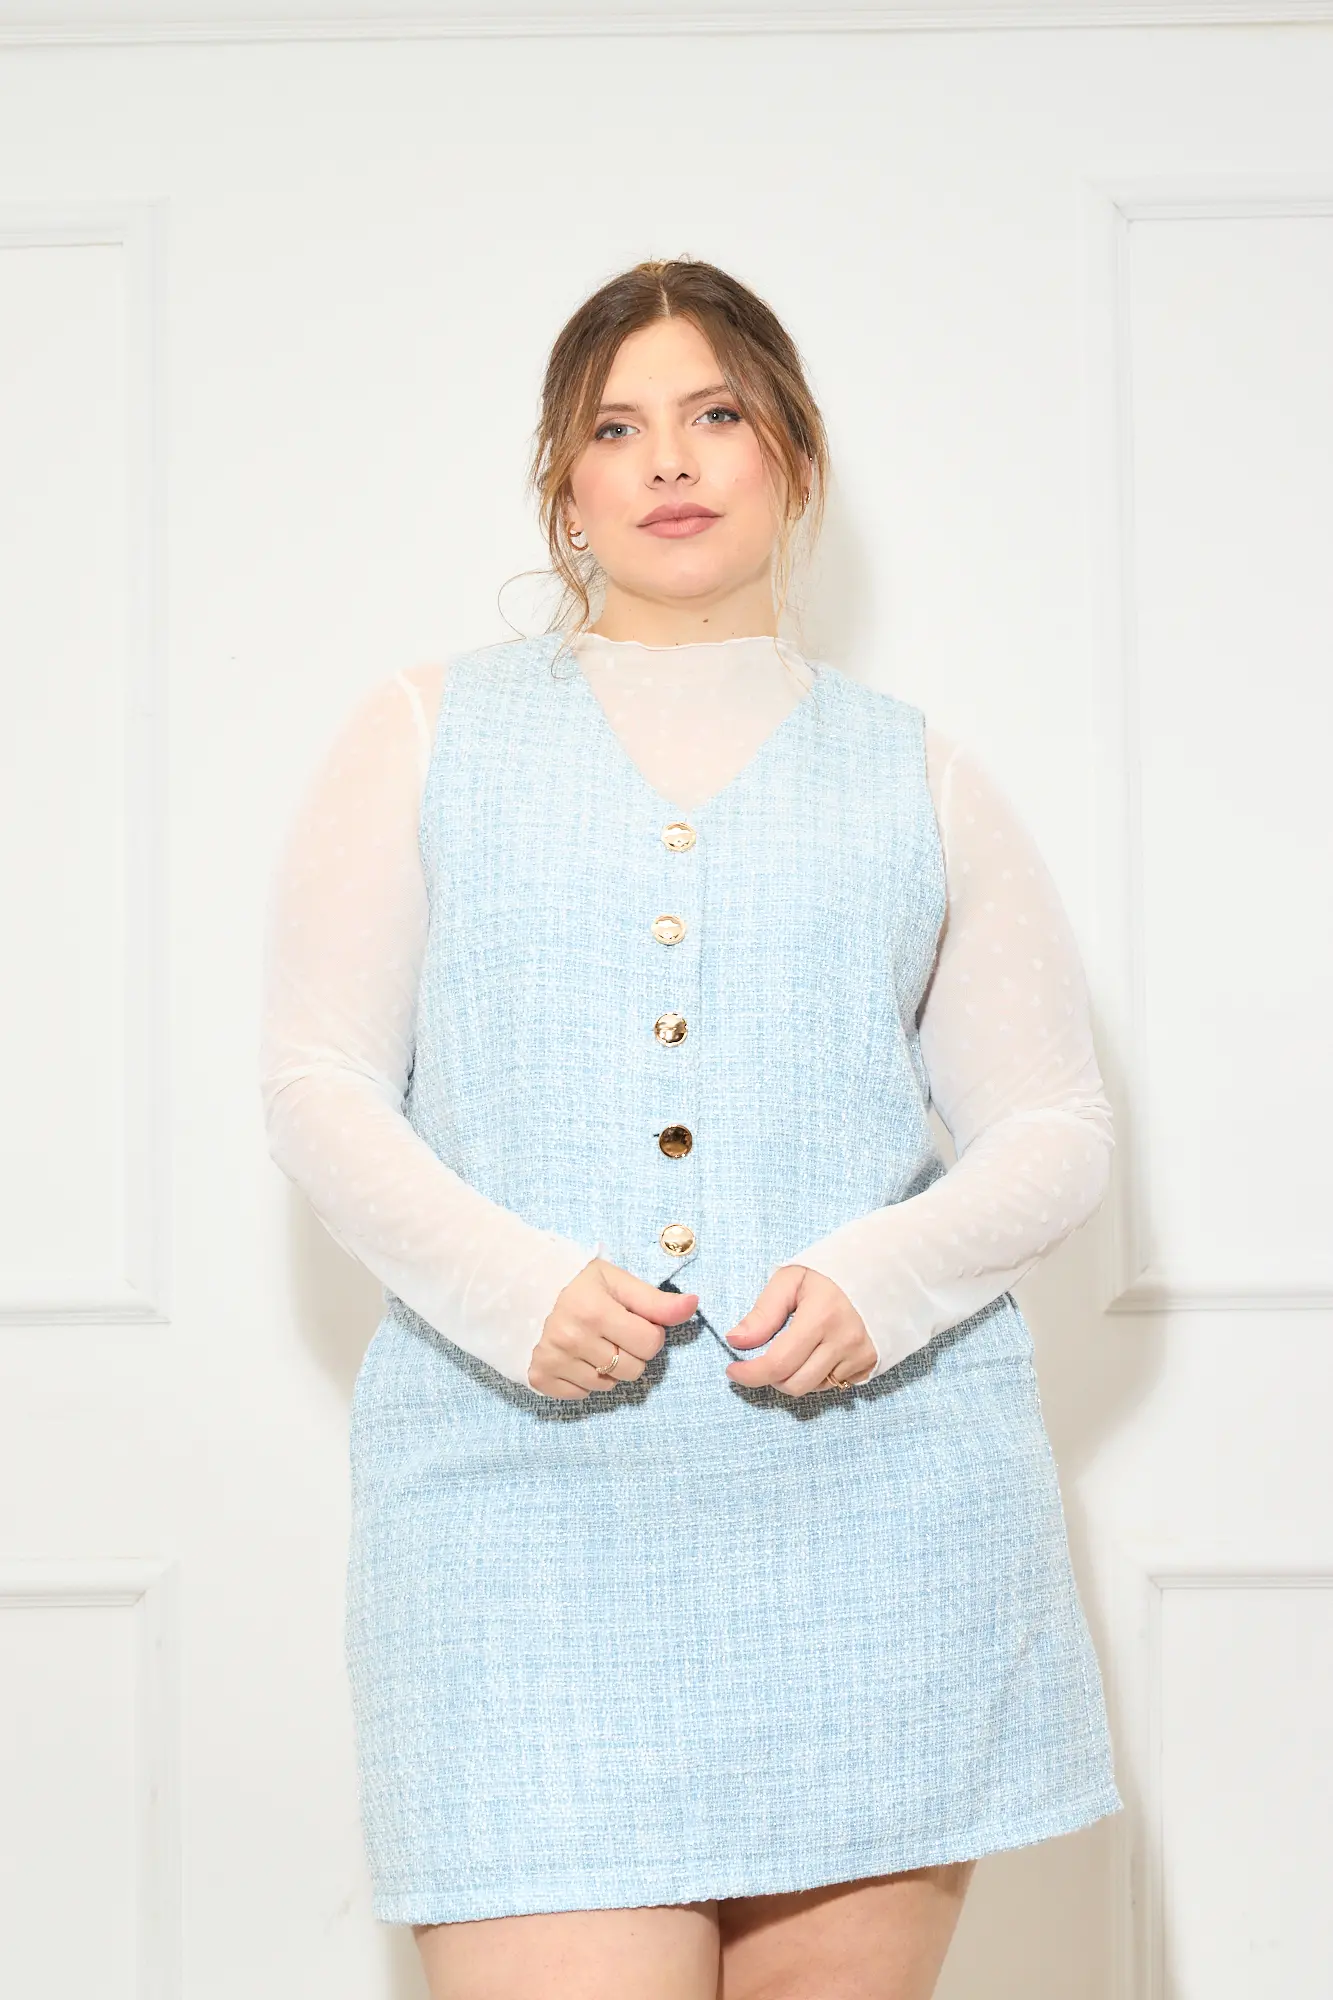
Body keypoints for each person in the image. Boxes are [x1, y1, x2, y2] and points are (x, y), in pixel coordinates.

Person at [259, 256, 1123, 2000]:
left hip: (879, 1520)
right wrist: (508, 1284)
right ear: (562, 483)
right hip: (511, 1522)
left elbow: (1056, 1125)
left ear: (792, 453)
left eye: (716, 412)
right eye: (615, 427)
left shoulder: (919, 771)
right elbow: (317, 1084)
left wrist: (887, 1274)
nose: (668, 458)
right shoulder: (423, 734)